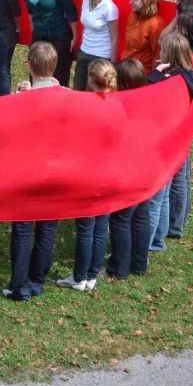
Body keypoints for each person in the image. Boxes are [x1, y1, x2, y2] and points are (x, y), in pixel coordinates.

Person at [5, 42, 61, 300]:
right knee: (47, 227)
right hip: (56, 172)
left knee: (24, 227)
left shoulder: (20, 101)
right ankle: (36, 280)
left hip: (27, 171)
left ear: (29, 65)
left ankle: (19, 282)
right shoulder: (66, 97)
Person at [56, 59, 117, 292]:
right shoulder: (119, 104)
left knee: (86, 227)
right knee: (101, 226)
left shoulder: (88, 107)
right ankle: (91, 275)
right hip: (110, 174)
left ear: (91, 80)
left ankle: (80, 276)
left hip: (90, 174)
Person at [146, 33, 193, 254]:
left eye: (162, 50)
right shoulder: (191, 75)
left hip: (166, 144)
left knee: (157, 198)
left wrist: (155, 76)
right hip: (179, 140)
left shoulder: (171, 81)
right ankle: (160, 239)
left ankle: (150, 243)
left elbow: (149, 98)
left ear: (169, 55)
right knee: (165, 194)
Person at [106, 59, 151, 280]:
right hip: (146, 168)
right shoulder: (150, 100)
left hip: (127, 170)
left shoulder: (121, 105)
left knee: (120, 219)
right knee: (141, 215)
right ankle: (140, 264)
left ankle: (119, 268)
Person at [18, 0, 78, 87]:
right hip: (39, 36)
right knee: (36, 75)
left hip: (59, 35)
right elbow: (30, 11)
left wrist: (75, 37)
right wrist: (34, 33)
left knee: (59, 77)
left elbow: (71, 10)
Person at [73, 0, 119, 91]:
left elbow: (115, 37)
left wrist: (112, 63)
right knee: (77, 89)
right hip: (84, 51)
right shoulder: (86, 0)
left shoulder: (109, 7)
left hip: (101, 55)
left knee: (91, 93)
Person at [122, 0, 164, 75]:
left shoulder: (156, 24)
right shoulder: (132, 16)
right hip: (125, 68)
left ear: (146, 1)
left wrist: (153, 78)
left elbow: (157, 54)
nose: (130, 2)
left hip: (140, 74)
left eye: (134, 0)